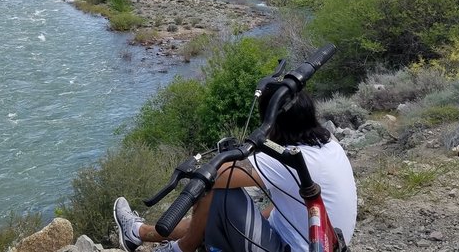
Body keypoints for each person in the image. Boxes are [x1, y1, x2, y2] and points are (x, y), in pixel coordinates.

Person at [113, 91, 357, 252]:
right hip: (324, 242)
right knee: (217, 213)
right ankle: (137, 232)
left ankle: (181, 248)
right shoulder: (328, 145)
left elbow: (218, 175)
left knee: (216, 191)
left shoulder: (285, 160)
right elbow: (288, 201)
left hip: (291, 248)